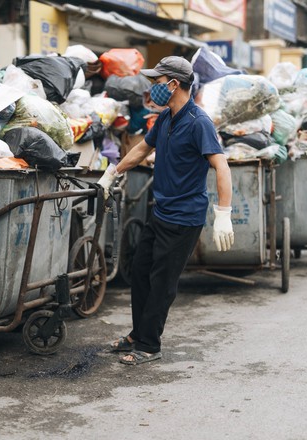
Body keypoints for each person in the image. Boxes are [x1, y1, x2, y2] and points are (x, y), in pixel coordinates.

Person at [97, 56, 234, 366]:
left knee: (162, 283)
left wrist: (223, 213)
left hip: (185, 218)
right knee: (141, 272)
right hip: (161, 212)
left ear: (173, 85)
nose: (152, 88)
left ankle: (148, 345)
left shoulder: (199, 122)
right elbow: (143, 149)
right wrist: (113, 171)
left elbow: (221, 166)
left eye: (157, 83)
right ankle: (137, 334)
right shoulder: (165, 119)